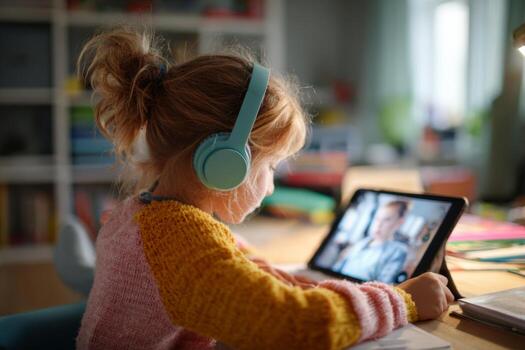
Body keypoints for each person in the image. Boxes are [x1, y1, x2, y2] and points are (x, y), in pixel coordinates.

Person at [76, 27, 454, 350]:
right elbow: (292, 324)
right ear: (224, 159)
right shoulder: (178, 236)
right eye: (270, 166)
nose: (272, 185)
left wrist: (335, 291)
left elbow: (255, 271)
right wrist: (404, 300)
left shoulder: (142, 214)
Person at [334, 200, 410, 283]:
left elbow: (383, 284)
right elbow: (338, 268)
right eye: (377, 219)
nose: (379, 225)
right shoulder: (362, 242)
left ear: (399, 222)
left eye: (386, 220)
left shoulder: (398, 251)